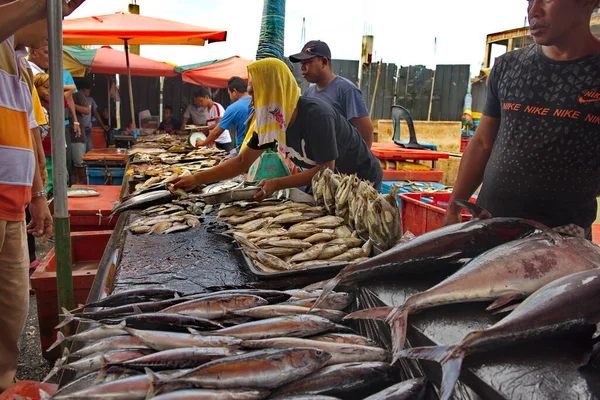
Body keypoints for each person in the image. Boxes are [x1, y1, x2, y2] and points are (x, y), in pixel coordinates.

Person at [443, 0, 600, 240]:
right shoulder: (508, 67)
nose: (533, 11)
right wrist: (454, 206)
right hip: (488, 228)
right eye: (529, 0)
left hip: (561, 240)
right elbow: (483, 143)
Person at [173, 58, 382, 199]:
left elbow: (324, 169)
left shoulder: (317, 115)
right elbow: (242, 161)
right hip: (332, 182)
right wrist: (196, 178)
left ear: (274, 89)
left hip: (360, 179)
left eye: (255, 93)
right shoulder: (272, 121)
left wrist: (277, 183)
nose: (252, 102)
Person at [0, 13, 59, 390]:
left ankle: (4, 383)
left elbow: (28, 132)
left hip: (14, 201)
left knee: (13, 307)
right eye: (52, 14)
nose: (54, 31)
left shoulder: (19, 66)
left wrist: (38, 195)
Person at [289, 40, 374, 148]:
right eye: (302, 63)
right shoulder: (308, 94)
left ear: (324, 62)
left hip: (342, 162)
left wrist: (361, 161)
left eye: (307, 62)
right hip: (319, 161)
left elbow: (366, 130)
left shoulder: (346, 90)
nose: (302, 67)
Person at [196, 77, 252, 153]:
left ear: (234, 91)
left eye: (229, 93)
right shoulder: (257, 102)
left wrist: (204, 142)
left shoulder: (233, 108)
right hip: (260, 147)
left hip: (244, 147)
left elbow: (217, 131)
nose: (230, 96)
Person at [192, 87, 234, 152]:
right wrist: (202, 129)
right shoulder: (205, 111)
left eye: (201, 101)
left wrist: (206, 128)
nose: (200, 103)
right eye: (198, 102)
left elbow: (219, 124)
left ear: (207, 97)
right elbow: (209, 125)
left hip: (223, 140)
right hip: (213, 140)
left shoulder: (216, 107)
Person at [77, 80, 107, 151]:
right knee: (81, 148)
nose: (89, 92)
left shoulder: (90, 100)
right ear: (82, 90)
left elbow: (95, 113)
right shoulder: (76, 99)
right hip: (79, 128)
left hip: (87, 128)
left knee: (90, 147)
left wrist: (102, 125)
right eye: (87, 90)